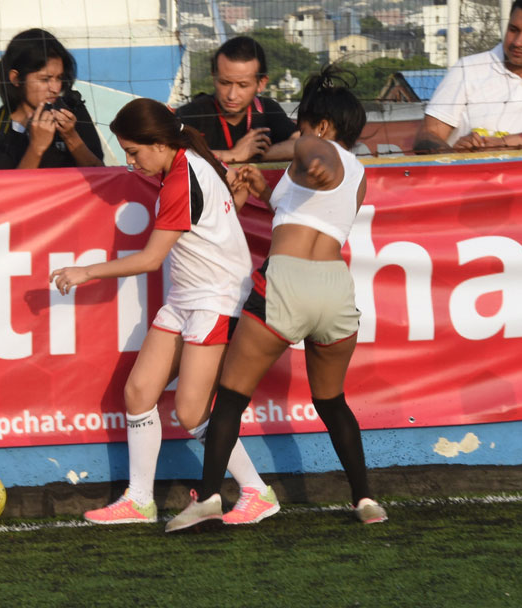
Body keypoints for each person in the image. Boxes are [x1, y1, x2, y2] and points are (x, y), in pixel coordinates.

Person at [166, 66, 386, 532]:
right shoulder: (360, 175)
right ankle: (365, 498)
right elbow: (307, 215)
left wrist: (310, 152)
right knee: (332, 402)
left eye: (306, 127)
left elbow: (312, 151)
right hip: (333, 288)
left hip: (287, 284)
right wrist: (268, 190)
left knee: (228, 399)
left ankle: (207, 498)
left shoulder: (316, 149)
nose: (302, 137)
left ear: (323, 127)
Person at [50, 98, 278, 526]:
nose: (130, 162)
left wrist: (86, 272)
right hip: (184, 299)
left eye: (134, 152)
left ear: (158, 143)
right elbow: (220, 215)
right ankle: (139, 501)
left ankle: (257, 491)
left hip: (215, 300)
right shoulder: (192, 161)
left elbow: (152, 259)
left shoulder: (181, 178)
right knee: (139, 393)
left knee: (191, 413)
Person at [412, 0, 522, 153]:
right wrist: (456, 158)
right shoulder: (467, 69)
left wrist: (504, 143)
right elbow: (427, 135)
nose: (517, 42)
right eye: (513, 29)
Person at [0, 28, 104, 170]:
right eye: (45, 79)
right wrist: (36, 147)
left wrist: (71, 136)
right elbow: (7, 190)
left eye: (59, 78)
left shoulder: (71, 112)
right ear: (15, 78)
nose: (55, 88)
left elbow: (100, 175)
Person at [175, 36, 300, 163]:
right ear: (214, 77)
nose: (232, 95)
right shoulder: (192, 113)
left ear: (261, 83)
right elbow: (173, 157)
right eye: (224, 83)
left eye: (243, 85)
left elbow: (301, 144)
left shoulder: (266, 109)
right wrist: (233, 155)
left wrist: (254, 155)